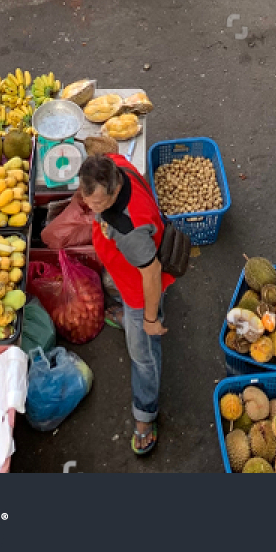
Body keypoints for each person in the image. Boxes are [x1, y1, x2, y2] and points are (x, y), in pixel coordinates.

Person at [78, 151, 175, 456]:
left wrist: (149, 318)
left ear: (116, 190)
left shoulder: (129, 230)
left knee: (144, 357)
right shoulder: (113, 163)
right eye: (87, 200)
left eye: (98, 204)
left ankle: (145, 417)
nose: (90, 208)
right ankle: (131, 319)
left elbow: (153, 273)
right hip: (128, 271)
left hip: (140, 292)